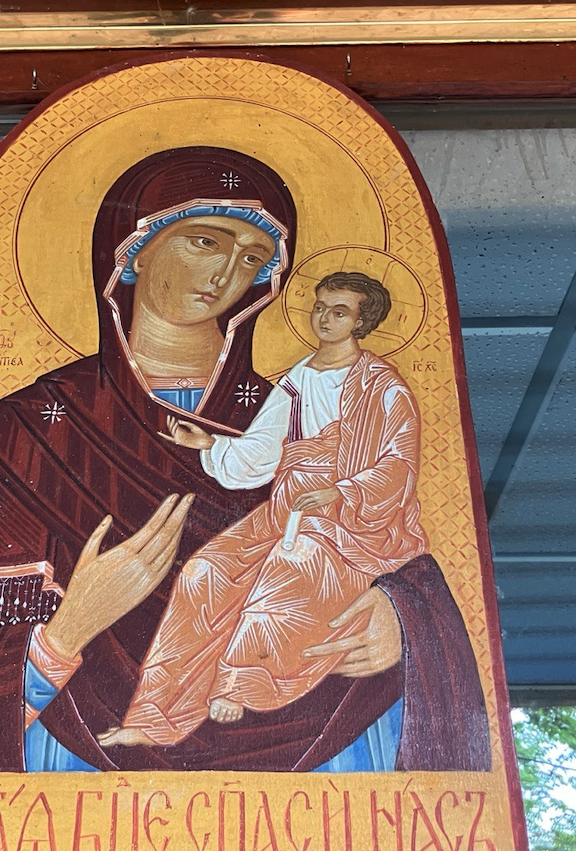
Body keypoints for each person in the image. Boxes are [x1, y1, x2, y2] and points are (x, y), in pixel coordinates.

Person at [0, 146, 491, 774]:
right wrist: (68, 630)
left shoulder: (304, 413)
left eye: (252, 258)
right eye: (206, 242)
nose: (226, 274)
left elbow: (395, 525)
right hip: (77, 764)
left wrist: (402, 620)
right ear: (133, 249)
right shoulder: (20, 436)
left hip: (321, 736)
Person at [99, 272, 429, 749]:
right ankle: (154, 716)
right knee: (204, 572)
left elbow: (399, 463)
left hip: (352, 522)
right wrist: (210, 444)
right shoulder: (297, 379)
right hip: (286, 507)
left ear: (361, 323)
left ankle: (238, 680)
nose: (325, 318)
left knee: (290, 564)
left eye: (339, 312)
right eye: (321, 307)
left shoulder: (382, 387)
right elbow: (263, 449)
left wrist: (340, 491)